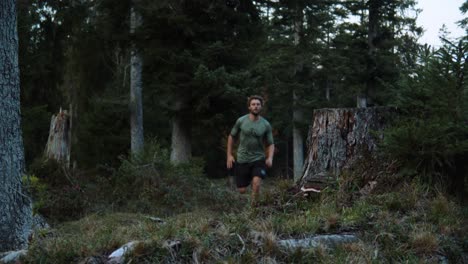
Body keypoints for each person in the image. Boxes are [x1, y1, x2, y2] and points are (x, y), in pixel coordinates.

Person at [226, 95, 275, 206]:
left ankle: (254, 208)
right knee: (242, 190)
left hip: (258, 158)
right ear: (249, 107)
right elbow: (231, 137)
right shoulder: (241, 121)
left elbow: (271, 143)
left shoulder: (266, 124)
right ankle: (248, 182)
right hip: (243, 159)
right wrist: (229, 155)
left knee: (256, 183)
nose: (256, 106)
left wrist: (270, 157)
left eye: (258, 104)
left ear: (261, 107)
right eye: (253, 104)